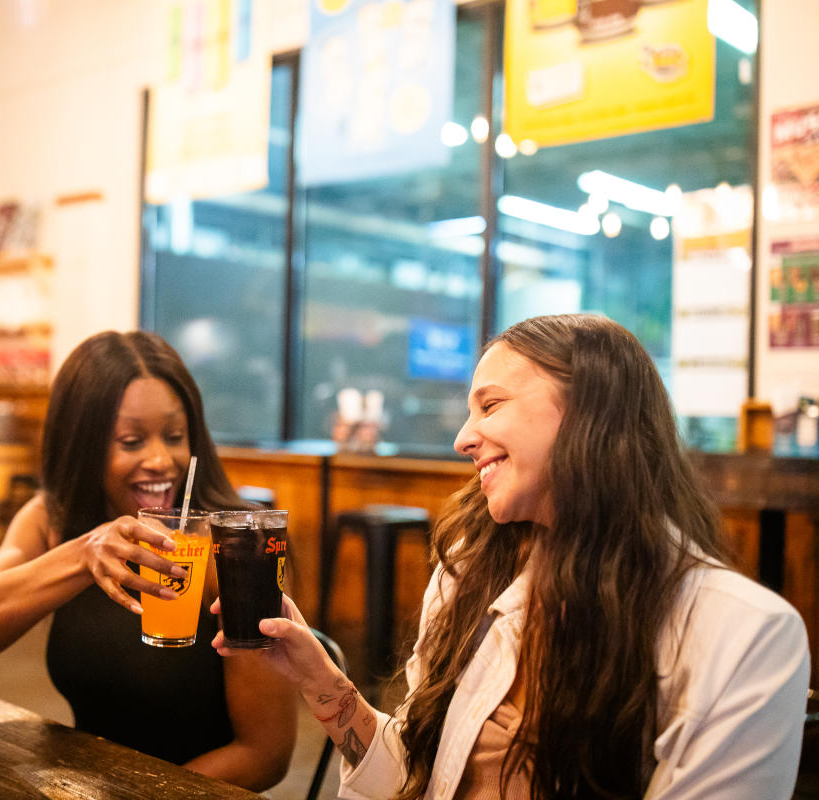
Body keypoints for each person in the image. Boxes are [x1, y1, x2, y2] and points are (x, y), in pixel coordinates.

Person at [216, 313, 810, 799]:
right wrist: (320, 680)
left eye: (490, 405)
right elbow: (417, 777)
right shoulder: (473, 567)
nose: (462, 438)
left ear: (589, 413)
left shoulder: (745, 635)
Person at [0, 330, 296, 791]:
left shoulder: (229, 548)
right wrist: (82, 554)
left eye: (175, 436)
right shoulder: (51, 520)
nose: (162, 460)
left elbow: (265, 753)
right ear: (84, 444)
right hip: (83, 783)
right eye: (132, 440)